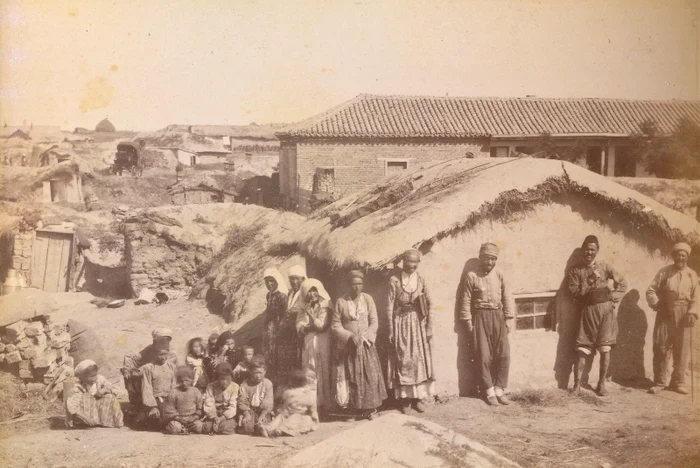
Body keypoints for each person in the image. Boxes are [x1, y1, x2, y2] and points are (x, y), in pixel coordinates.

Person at [568, 235, 627, 396]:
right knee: (582, 348)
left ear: (597, 251)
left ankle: (601, 385)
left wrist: (612, 298)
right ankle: (577, 385)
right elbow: (575, 293)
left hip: (606, 312)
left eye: (592, 250)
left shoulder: (605, 266)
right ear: (582, 250)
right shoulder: (575, 271)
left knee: (605, 348)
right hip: (587, 311)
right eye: (587, 249)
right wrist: (590, 279)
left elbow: (622, 283)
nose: (589, 252)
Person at [457, 243, 514, 406]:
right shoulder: (471, 276)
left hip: (498, 316)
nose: (489, 262)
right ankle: (489, 391)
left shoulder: (499, 274)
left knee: (504, 354)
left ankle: (499, 389)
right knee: (483, 356)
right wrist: (467, 320)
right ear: (480, 257)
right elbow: (465, 300)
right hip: (480, 317)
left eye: (493, 259)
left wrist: (509, 318)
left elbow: (507, 296)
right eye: (486, 258)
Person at [332, 270, 387, 419]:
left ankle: (370, 409)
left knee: (370, 376)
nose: (357, 287)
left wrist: (367, 336)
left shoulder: (368, 299)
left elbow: (374, 321)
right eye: (354, 284)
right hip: (349, 347)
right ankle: (354, 409)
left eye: (359, 284)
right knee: (351, 377)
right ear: (349, 285)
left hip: (366, 345)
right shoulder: (341, 302)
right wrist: (350, 336)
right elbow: (335, 325)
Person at [646, 242, 699, 395]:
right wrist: (656, 304)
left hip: (685, 313)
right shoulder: (664, 272)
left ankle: (678, 382)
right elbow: (651, 290)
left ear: (687, 257)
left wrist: (692, 312)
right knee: (661, 345)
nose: (680, 257)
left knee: (682, 348)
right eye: (677, 255)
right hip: (666, 312)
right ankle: (660, 381)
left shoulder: (692, 274)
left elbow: (696, 296)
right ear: (673, 256)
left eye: (683, 255)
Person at [386, 249, 435, 414]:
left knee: (418, 360)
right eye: (409, 262)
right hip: (401, 323)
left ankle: (418, 398)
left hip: (418, 324)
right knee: (404, 360)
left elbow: (430, 303)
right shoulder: (395, 280)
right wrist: (392, 330)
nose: (412, 265)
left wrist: (429, 327)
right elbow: (389, 306)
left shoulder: (421, 279)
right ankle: (405, 400)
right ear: (404, 262)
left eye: (416, 263)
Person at [296, 278, 333, 415]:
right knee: (310, 370)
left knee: (323, 369)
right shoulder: (303, 307)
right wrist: (305, 328)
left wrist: (311, 317)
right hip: (309, 342)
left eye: (314, 290)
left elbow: (321, 326)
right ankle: (313, 404)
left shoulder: (325, 306)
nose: (312, 294)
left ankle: (326, 403)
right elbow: (299, 325)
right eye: (309, 291)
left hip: (323, 342)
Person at [121, 328, 177, 408]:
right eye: (162, 338)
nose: (164, 341)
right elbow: (134, 359)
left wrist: (142, 370)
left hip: (160, 379)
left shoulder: (170, 352)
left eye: (167, 339)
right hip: (147, 373)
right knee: (130, 376)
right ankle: (137, 404)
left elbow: (162, 367)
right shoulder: (150, 349)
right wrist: (127, 370)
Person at [260, 368, 319, 437]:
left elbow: (313, 409)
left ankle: (278, 430)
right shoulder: (289, 394)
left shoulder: (308, 394)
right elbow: (285, 406)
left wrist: (314, 421)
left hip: (302, 417)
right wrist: (283, 412)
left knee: (292, 420)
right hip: (289, 414)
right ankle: (269, 428)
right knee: (280, 417)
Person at [66, 360, 124, 428]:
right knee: (84, 398)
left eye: (95, 375)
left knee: (110, 397)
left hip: (98, 408)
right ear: (83, 377)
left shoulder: (100, 379)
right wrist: (86, 418)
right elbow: (71, 405)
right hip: (84, 413)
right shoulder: (78, 385)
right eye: (91, 376)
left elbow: (115, 390)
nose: (94, 378)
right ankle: (85, 423)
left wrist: (104, 390)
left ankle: (106, 421)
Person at [139, 340, 177, 430]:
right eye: (160, 355)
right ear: (155, 354)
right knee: (156, 421)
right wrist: (153, 407)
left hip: (170, 400)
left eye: (165, 354)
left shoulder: (172, 367)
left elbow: (174, 386)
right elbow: (146, 388)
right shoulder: (149, 368)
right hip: (156, 401)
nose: (163, 358)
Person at [261, 268, 289, 384]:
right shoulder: (269, 295)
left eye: (271, 281)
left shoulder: (282, 296)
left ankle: (279, 383)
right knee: (269, 355)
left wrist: (279, 330)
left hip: (279, 330)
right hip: (269, 329)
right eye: (267, 281)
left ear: (277, 281)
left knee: (279, 356)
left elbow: (285, 315)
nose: (269, 284)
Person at [162, 366, 204, 435]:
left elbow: (199, 408)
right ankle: (181, 428)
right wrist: (179, 418)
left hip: (192, 418)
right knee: (175, 428)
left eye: (186, 380)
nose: (184, 383)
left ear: (191, 380)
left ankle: (185, 429)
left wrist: (194, 417)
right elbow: (170, 409)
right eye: (181, 381)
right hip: (177, 419)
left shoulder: (196, 391)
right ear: (178, 381)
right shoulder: (173, 392)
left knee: (199, 427)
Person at [238, 357, 274, 436]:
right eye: (255, 373)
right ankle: (255, 427)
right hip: (250, 410)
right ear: (251, 372)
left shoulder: (268, 384)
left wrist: (263, 415)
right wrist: (246, 413)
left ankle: (261, 427)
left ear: (264, 372)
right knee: (248, 427)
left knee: (264, 423)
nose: (258, 376)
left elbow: (268, 402)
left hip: (263, 411)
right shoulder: (245, 383)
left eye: (260, 373)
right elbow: (242, 400)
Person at [202, 362, 240, 435]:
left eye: (228, 379)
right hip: (214, 413)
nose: (225, 382)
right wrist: (215, 418)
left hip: (227, 415)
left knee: (226, 427)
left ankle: (219, 427)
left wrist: (222, 418)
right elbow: (209, 404)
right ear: (217, 378)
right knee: (206, 427)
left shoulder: (235, 386)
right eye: (222, 379)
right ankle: (215, 427)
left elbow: (233, 406)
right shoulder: (211, 386)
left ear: (231, 377)